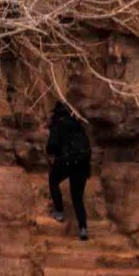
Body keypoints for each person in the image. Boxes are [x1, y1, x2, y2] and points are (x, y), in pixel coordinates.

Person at [46, 97, 94, 237]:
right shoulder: (79, 125)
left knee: (53, 180)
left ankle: (59, 212)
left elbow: (50, 148)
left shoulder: (57, 126)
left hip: (66, 163)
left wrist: (55, 153)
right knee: (77, 197)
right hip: (82, 165)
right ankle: (83, 229)